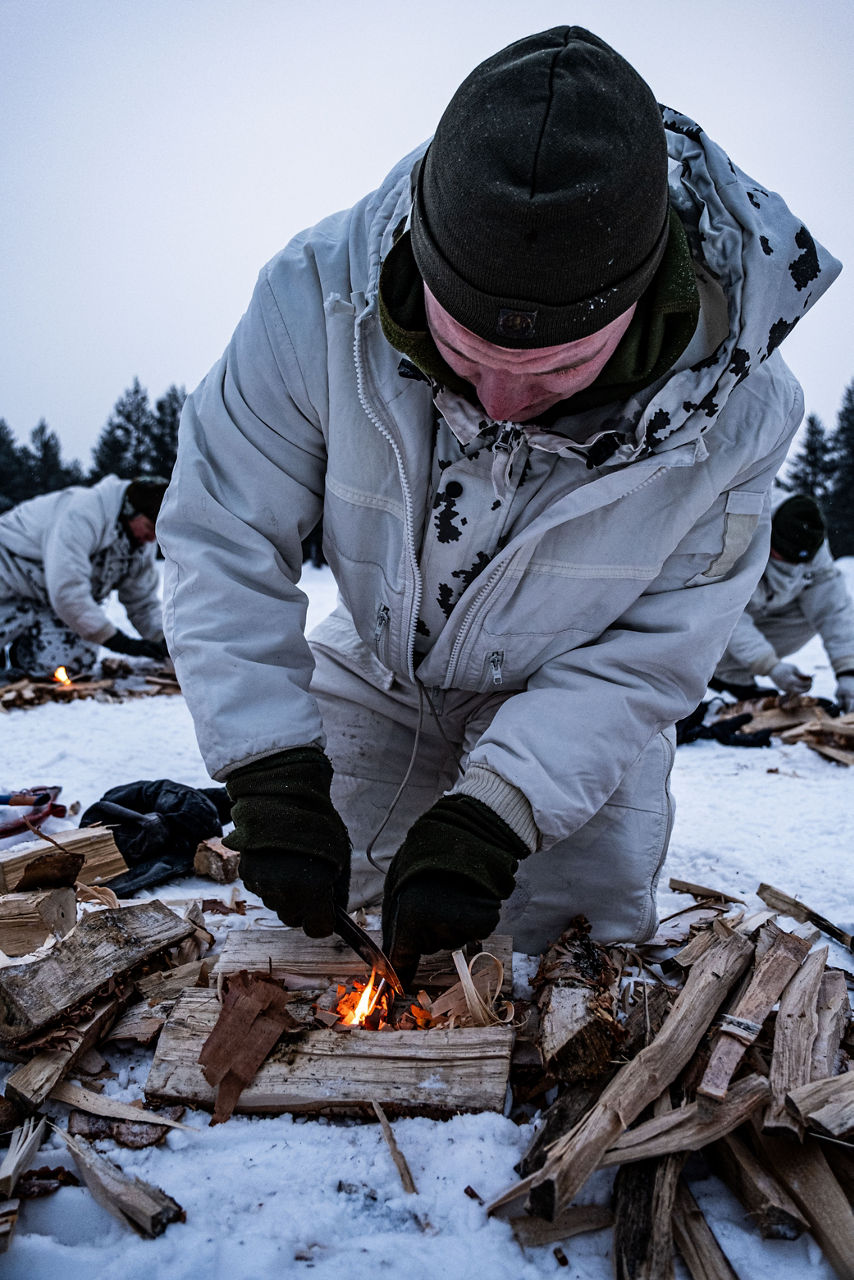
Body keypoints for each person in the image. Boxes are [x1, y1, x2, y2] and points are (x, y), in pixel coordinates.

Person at [158, 27, 840, 980]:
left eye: (561, 365)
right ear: (423, 265)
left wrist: (501, 808)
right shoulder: (313, 302)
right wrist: (269, 767)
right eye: (467, 354)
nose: (503, 402)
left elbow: (655, 653)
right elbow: (221, 533)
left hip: (578, 680)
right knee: (324, 935)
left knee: (564, 954)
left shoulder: (739, 413)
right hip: (384, 665)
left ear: (642, 298)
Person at [0, 475, 169, 679]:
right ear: (130, 512)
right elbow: (68, 591)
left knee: (74, 664)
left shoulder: (141, 542)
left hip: (45, 601)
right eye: (150, 528)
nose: (153, 539)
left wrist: (164, 641)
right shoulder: (83, 514)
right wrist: (118, 641)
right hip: (7, 585)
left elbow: (142, 603)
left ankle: (24, 657)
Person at [711, 493, 854, 710]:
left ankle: (733, 675)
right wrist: (769, 665)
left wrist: (847, 671)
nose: (791, 565)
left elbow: (833, 610)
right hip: (713, 614)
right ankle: (713, 669)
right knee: (718, 616)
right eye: (783, 557)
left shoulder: (811, 545)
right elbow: (723, 610)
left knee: (812, 615)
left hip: (762, 609)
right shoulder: (738, 532)